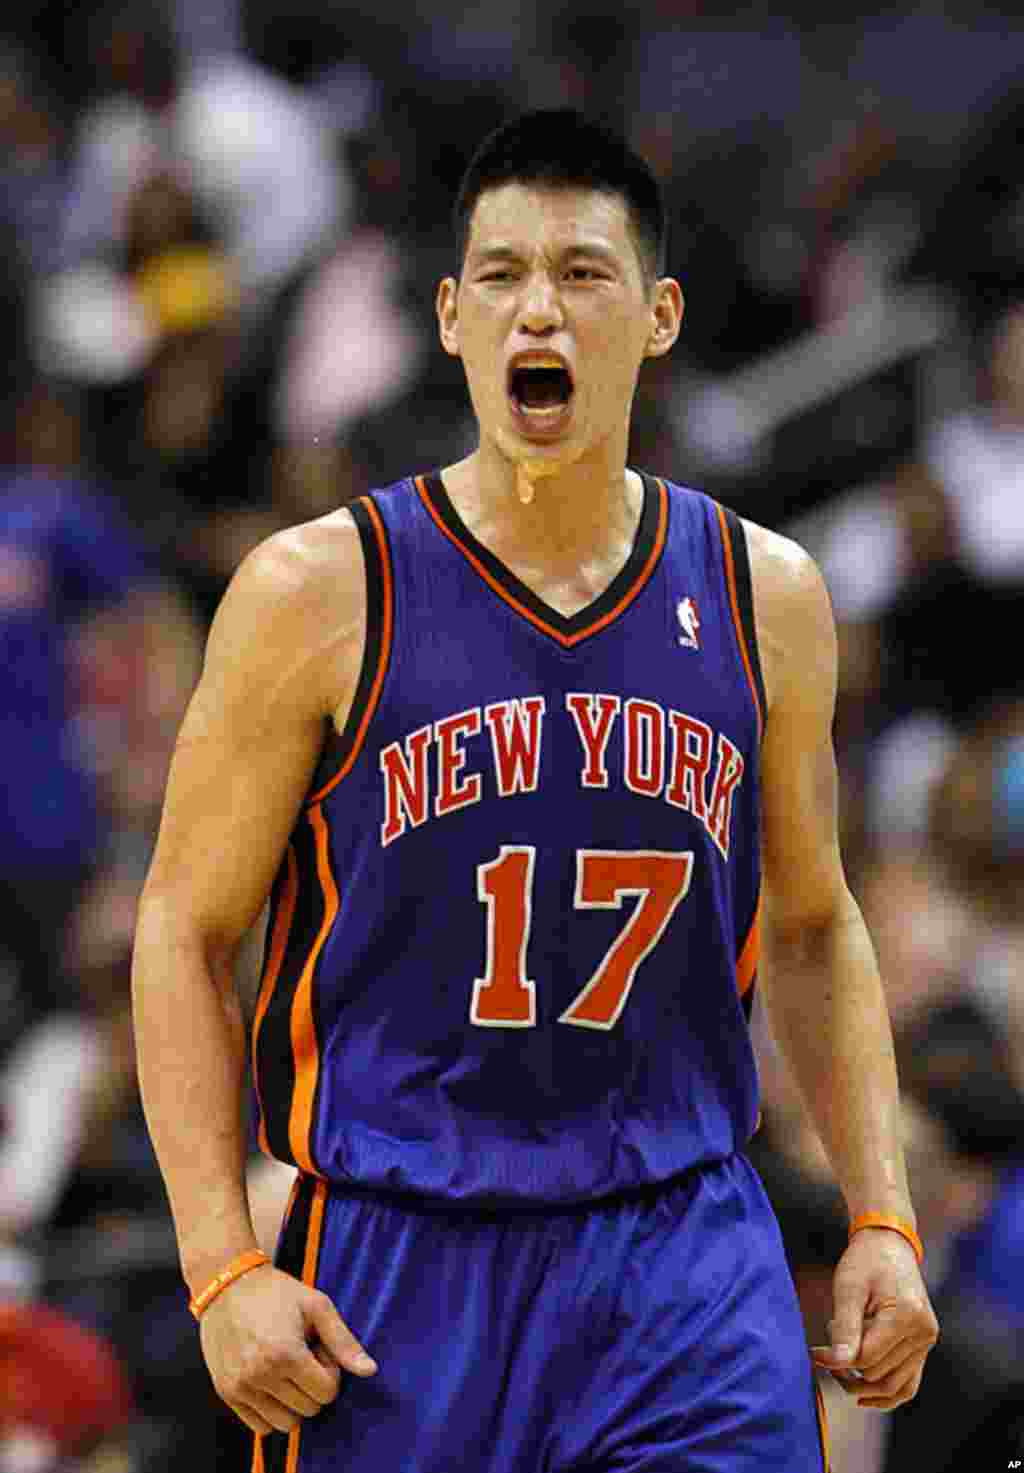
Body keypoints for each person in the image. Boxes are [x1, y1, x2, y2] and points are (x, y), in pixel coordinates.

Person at [131, 109, 938, 1473]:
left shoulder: (766, 598)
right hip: (400, 1255)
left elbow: (811, 924)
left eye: (580, 273)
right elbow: (184, 931)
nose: (535, 311)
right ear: (449, 318)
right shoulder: (317, 593)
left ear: (660, 315)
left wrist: (882, 1216)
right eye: (499, 276)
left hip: (680, 1249)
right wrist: (220, 1266)